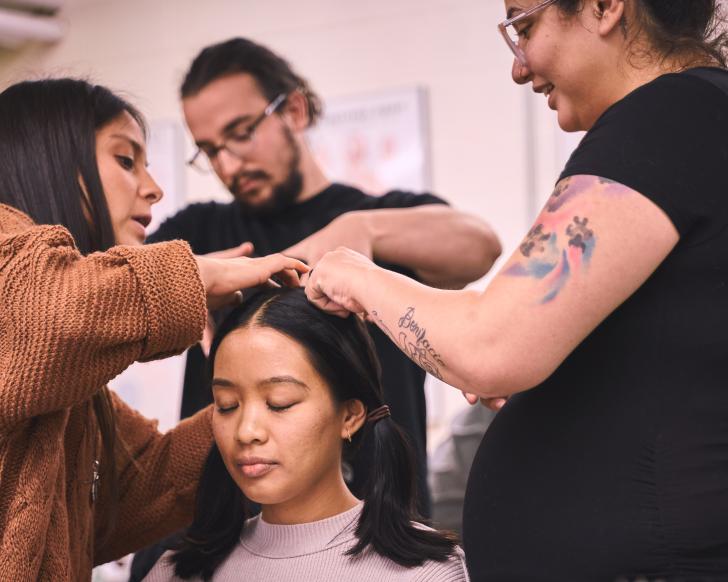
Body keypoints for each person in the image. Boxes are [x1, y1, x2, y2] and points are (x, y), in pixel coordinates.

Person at [304, 1, 728, 579]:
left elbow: (488, 349)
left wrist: (352, 273)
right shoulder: (703, 115)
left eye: (524, 27)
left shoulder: (667, 114)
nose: (519, 68)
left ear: (605, 6)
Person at [148, 37, 501, 514]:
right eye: (210, 150)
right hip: (224, 532)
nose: (229, 164)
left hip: (379, 521)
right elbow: (104, 289)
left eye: (242, 133)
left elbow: (479, 245)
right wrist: (198, 279)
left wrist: (362, 230)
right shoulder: (197, 230)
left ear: (293, 109)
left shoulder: (380, 216)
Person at [0, 78, 307, 582]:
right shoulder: (23, 280)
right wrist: (193, 274)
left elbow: (149, 480)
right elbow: (49, 316)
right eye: (126, 161)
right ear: (50, 161)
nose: (154, 187)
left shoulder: (73, 396)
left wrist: (263, 403)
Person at [143, 288, 469, 582]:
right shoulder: (181, 570)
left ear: (350, 415)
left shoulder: (424, 572)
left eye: (279, 403)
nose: (246, 432)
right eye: (227, 406)